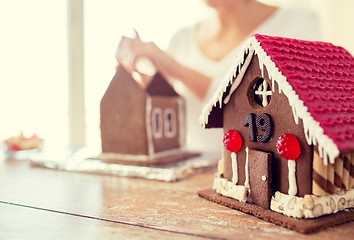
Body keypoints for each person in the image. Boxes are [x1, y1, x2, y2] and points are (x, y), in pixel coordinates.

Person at [115, 0, 321, 153]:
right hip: (189, 181)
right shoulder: (182, 39)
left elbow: (277, 107)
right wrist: (141, 82)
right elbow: (171, 111)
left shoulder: (297, 22)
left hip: (265, 180)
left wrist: (177, 69)